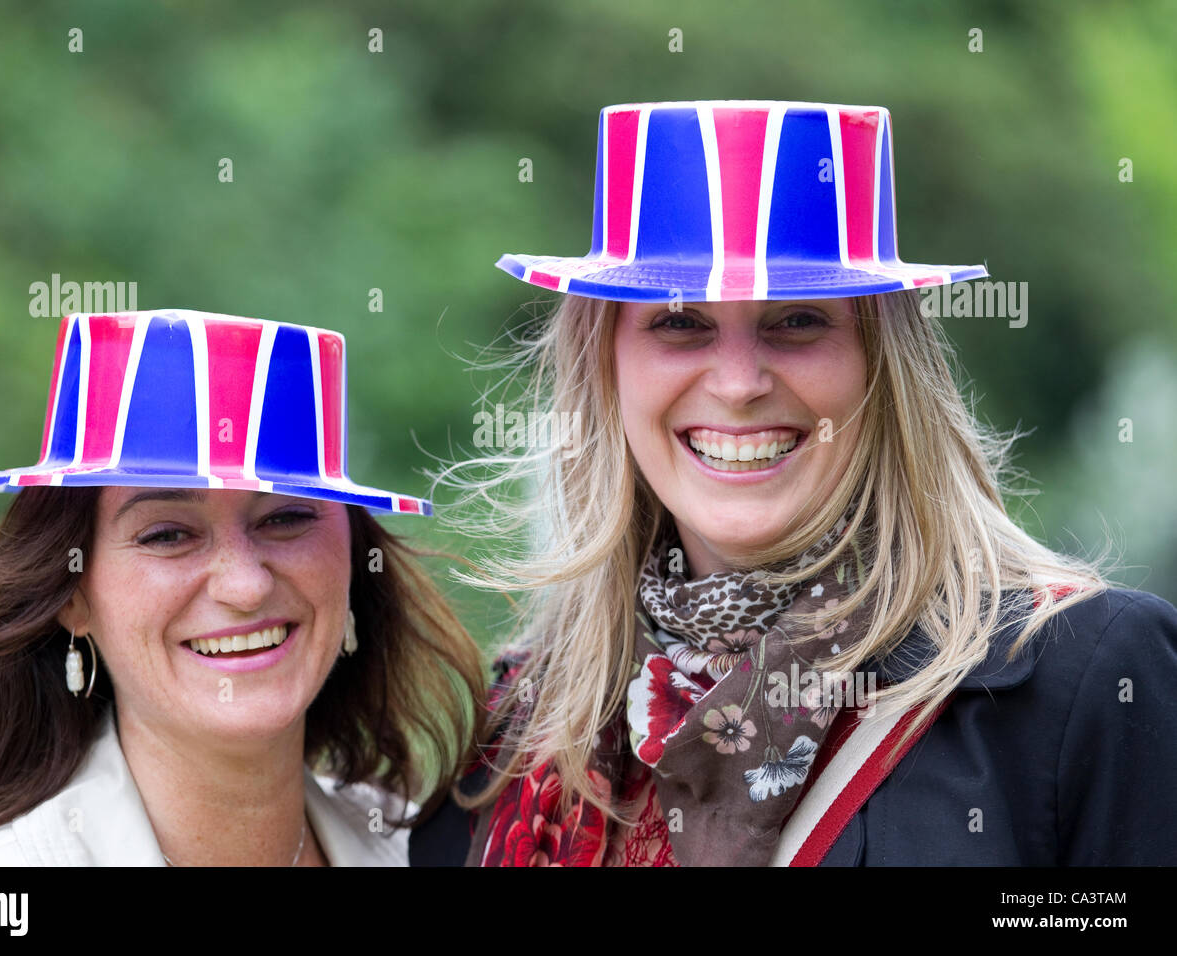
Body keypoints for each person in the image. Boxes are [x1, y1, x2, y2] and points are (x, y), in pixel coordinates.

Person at [410, 100, 1177, 866]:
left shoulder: (1085, 682)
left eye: (799, 320)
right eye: (680, 321)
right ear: (604, 367)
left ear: (883, 362)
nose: (739, 383)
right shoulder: (519, 730)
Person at [0, 309, 483, 866]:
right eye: (168, 535)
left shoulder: (429, 851)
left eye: (286, 518)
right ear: (72, 595)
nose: (245, 586)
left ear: (352, 560)